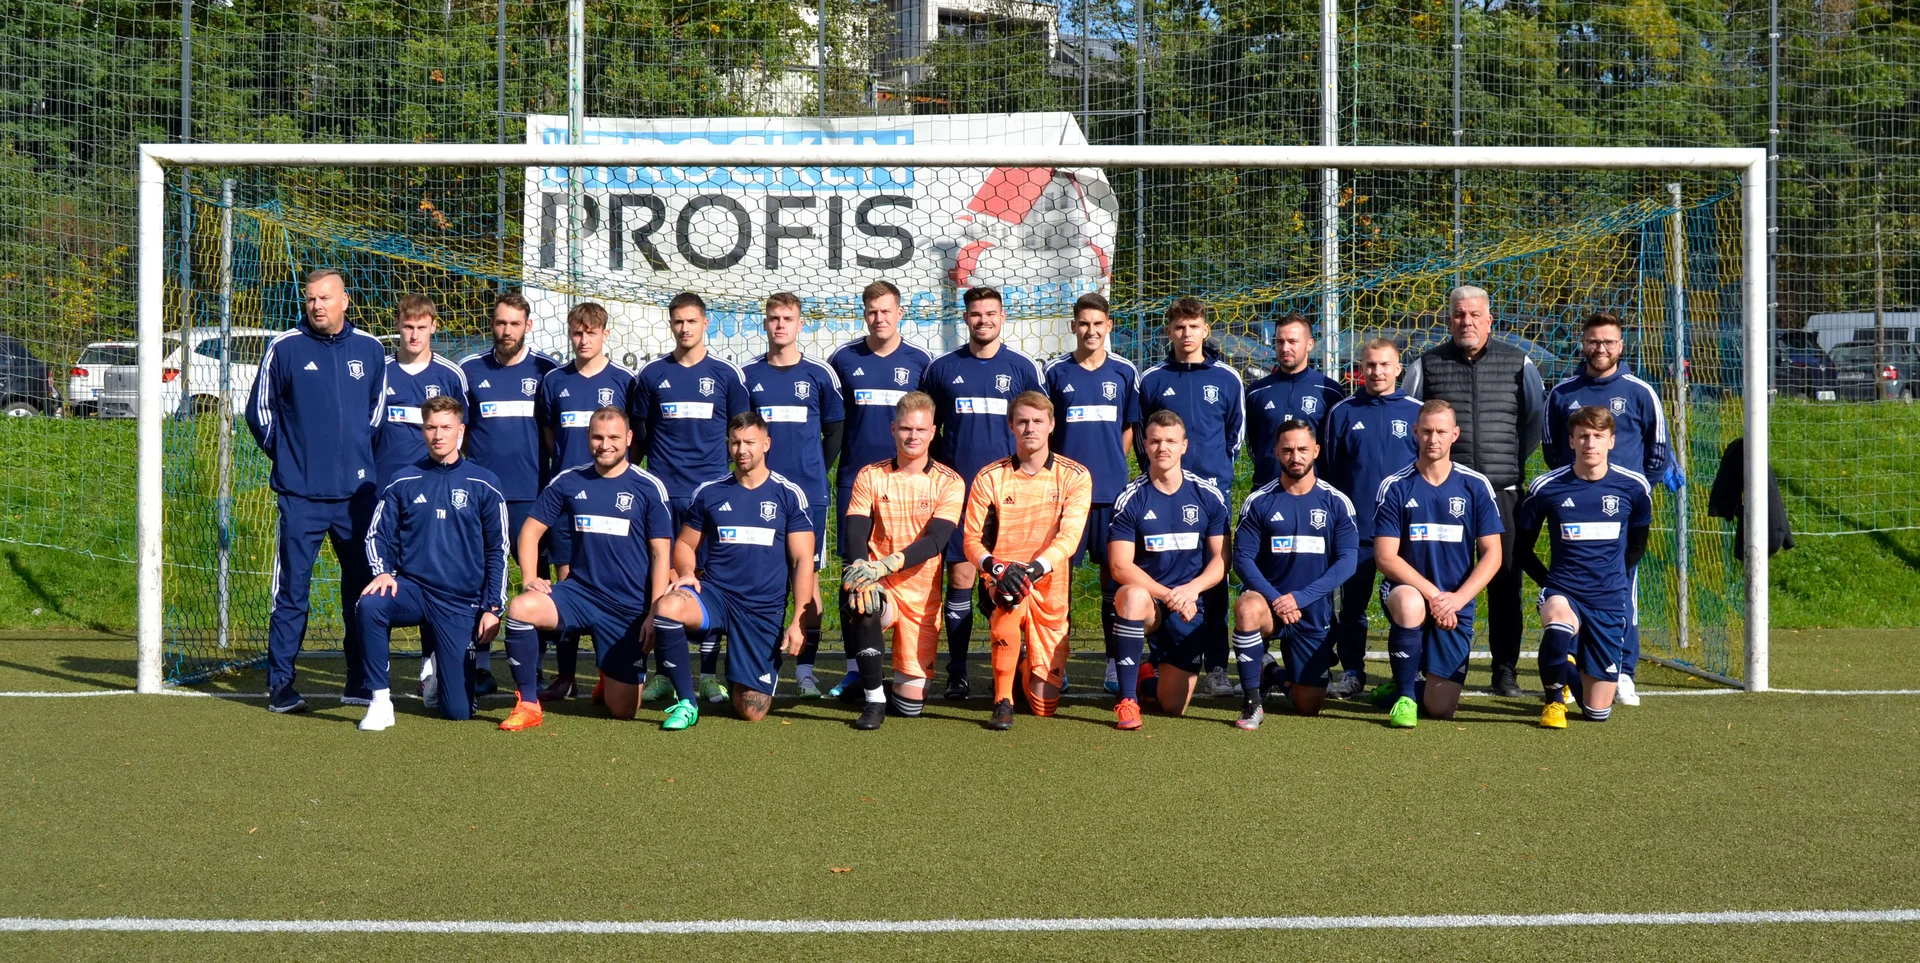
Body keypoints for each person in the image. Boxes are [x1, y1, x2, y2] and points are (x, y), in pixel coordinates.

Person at [245, 267, 389, 713]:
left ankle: (359, 680)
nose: (317, 306)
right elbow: (259, 413)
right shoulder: (284, 349)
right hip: (301, 497)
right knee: (292, 592)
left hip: (357, 500)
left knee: (361, 591)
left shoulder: (370, 350)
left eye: (326, 298)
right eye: (310, 299)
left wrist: (358, 466)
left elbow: (376, 416)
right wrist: (292, 461)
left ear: (345, 300)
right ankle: (282, 684)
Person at [1401, 284, 1547, 697]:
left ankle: (1504, 673)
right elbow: (1413, 418)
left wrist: (1508, 463)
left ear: (1489, 320)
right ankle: (1426, 667)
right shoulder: (1427, 365)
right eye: (1459, 315)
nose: (1466, 322)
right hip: (1440, 492)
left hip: (1500, 491)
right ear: (1449, 320)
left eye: (1474, 315)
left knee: (1504, 581)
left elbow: (1533, 421)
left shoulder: (1519, 363)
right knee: (1432, 578)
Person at [501, 407, 680, 730]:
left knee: (623, 710)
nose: (605, 444)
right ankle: (528, 703)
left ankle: (607, 675)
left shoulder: (648, 487)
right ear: (588, 439)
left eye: (613, 437)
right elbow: (529, 532)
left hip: (627, 608)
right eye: (598, 437)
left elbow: (660, 555)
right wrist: (529, 579)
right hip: (579, 594)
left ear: (628, 438)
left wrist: (653, 613)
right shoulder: (569, 481)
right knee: (520, 608)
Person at [649, 412, 820, 722]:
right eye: (735, 442)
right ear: (727, 444)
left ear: (766, 444)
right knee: (668, 607)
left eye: (750, 442)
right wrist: (687, 572)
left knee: (750, 711)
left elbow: (802, 560)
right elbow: (685, 545)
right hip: (716, 596)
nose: (742, 450)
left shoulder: (788, 495)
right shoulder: (710, 492)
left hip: (761, 608)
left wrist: (798, 620)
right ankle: (688, 703)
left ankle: (740, 671)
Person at [920, 287, 1044, 700]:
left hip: (1011, 497)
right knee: (960, 577)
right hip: (956, 494)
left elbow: (1038, 431)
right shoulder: (942, 369)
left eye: (990, 313)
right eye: (975, 314)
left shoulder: (1024, 368)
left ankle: (1004, 672)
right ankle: (957, 672)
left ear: (1002, 316)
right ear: (966, 318)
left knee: (1006, 584)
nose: (983, 320)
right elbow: (925, 432)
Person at [356, 395, 508, 730]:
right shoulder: (402, 480)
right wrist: (383, 572)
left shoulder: (485, 483)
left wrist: (492, 607)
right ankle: (380, 702)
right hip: (413, 589)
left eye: (446, 427)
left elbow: (498, 549)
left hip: (459, 600)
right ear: (422, 431)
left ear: (461, 430)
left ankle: (442, 668)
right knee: (370, 605)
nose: (438, 435)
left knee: (458, 712)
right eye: (431, 427)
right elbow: (376, 535)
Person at [1543, 311, 1670, 706]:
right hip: (1574, 505)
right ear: (1583, 344)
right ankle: (1575, 666)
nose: (1601, 348)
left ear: (1621, 345)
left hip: (1622, 509)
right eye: (1594, 341)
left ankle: (1624, 671)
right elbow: (1551, 450)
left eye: (1608, 342)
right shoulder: (1562, 393)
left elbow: (1659, 451)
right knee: (1573, 586)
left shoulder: (1640, 392)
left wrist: (1635, 493)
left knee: (1622, 588)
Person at [631, 291, 752, 704]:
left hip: (711, 499)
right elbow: (641, 438)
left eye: (691, 321)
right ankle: (665, 671)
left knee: (708, 582)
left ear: (705, 323)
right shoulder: (650, 376)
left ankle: (707, 674)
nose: (684, 328)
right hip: (664, 495)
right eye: (677, 322)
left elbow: (739, 434)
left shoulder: (726, 375)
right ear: (670, 325)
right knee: (663, 581)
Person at [1365, 400, 1505, 728]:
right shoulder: (1395, 486)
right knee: (1411, 603)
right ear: (1415, 432)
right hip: (1410, 592)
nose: (1433, 438)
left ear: (1455, 434)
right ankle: (1405, 697)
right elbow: (1385, 556)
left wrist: (1456, 600)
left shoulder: (1475, 485)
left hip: (1455, 603)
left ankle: (1413, 682)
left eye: (1441, 431)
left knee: (1441, 709)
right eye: (1426, 431)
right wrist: (1433, 595)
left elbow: (1492, 554)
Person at [826, 280, 934, 697]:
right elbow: (835, 422)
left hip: (909, 484)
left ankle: (912, 661)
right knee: (853, 572)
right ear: (864, 313)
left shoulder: (921, 362)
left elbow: (928, 426)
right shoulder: (843, 359)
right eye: (872, 311)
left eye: (886, 311)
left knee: (909, 569)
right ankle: (856, 669)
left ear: (900, 312)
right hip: (858, 482)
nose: (879, 318)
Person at [961, 391, 1093, 729]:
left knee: (1042, 704)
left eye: (1037, 421)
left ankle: (1023, 662)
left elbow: (1069, 538)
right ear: (1011, 426)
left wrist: (1033, 570)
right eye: (1022, 421)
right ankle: (1002, 701)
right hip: (1001, 578)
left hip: (1050, 585)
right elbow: (972, 541)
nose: (1029, 428)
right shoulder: (989, 477)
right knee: (1009, 597)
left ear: (1051, 424)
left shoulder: (1075, 476)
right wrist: (998, 568)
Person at [1516, 405, 1652, 729]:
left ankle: (1567, 670)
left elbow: (1636, 546)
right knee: (1558, 623)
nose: (1591, 443)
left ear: (1611, 441)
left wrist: (1614, 578)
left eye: (1598, 436)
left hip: (1608, 599)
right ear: (1572, 441)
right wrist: (1549, 583)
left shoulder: (1634, 488)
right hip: (1565, 591)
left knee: (1596, 713)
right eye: (1583, 436)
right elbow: (1520, 549)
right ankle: (1553, 702)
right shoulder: (1547, 487)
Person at [838, 392, 967, 729]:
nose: (913, 437)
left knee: (910, 707)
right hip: (880, 585)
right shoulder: (871, 475)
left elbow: (936, 541)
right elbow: (855, 531)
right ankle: (873, 700)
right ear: (893, 429)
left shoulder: (950, 482)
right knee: (863, 600)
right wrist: (860, 569)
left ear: (933, 432)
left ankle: (894, 684)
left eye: (920, 430)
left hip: (921, 597)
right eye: (906, 429)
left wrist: (884, 564)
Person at [1137, 297, 1245, 698]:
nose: (1186, 334)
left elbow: (1235, 437)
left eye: (1193, 326)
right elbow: (1146, 438)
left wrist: (1211, 481)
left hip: (1211, 496)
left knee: (1213, 578)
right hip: (1163, 491)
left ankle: (1217, 666)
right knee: (1161, 568)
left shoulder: (1228, 379)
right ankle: (1162, 657)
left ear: (1205, 330)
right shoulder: (1151, 379)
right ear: (1169, 331)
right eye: (1179, 327)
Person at [742, 291, 845, 698]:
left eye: (787, 318)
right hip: (758, 496)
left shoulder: (820, 374)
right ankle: (761, 667)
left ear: (801, 324)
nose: (780, 324)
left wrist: (815, 471)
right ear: (764, 324)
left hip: (808, 498)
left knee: (808, 581)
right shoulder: (748, 375)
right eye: (773, 318)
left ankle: (805, 672)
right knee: (761, 581)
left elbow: (835, 430)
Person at [458, 291, 560, 697]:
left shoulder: (547, 372)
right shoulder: (469, 370)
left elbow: (554, 435)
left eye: (514, 324)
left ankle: (533, 668)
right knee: (478, 577)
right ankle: (480, 665)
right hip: (483, 497)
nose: (506, 331)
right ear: (492, 324)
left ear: (528, 326)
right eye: (500, 323)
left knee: (535, 581)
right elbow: (461, 432)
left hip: (532, 497)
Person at [535, 301, 637, 701]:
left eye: (591, 332)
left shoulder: (626, 381)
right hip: (567, 502)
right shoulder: (554, 382)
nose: (583, 339)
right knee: (567, 583)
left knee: (611, 582)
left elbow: (633, 438)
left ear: (605, 334)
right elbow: (549, 437)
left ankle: (608, 673)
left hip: (612, 501)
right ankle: (565, 675)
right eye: (577, 332)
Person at [1229, 419, 1359, 729]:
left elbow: (1347, 561)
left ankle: (1272, 674)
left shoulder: (1336, 502)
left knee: (1308, 705)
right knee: (1247, 607)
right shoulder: (1259, 501)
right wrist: (1277, 600)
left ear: (1315, 450)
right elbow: (1242, 559)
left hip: (1311, 610)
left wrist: (1300, 599)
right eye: (1287, 450)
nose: (1295, 456)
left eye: (1302, 449)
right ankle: (1252, 705)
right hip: (1270, 607)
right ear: (1276, 452)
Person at [1043, 292, 1141, 696]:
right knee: (1057, 583)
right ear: (1073, 327)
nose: (1091, 331)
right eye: (1084, 323)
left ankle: (1114, 664)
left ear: (1109, 327)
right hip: (1065, 496)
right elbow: (1045, 429)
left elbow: (1130, 428)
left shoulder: (1124, 371)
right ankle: (1055, 662)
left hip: (1112, 495)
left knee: (1113, 583)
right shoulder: (1054, 372)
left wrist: (1108, 467)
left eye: (1098, 324)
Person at [1106, 410, 1229, 727]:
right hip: (1151, 602)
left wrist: (1191, 591)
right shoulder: (1131, 497)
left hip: (1189, 604)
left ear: (1184, 446)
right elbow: (1120, 565)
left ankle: (1147, 677)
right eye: (1156, 441)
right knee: (1130, 596)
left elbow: (1220, 561)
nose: (1163, 448)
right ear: (1145, 445)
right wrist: (1168, 595)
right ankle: (1128, 700)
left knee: (1173, 706)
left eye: (1171, 441)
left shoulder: (1208, 496)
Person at [1319, 338, 1423, 699]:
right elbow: (1330, 472)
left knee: (1406, 601)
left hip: (1406, 534)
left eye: (1384, 365)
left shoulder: (1417, 412)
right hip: (1358, 530)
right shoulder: (1343, 412)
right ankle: (1352, 671)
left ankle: (1408, 674)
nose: (1377, 372)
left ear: (1398, 368)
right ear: (1360, 370)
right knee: (1352, 607)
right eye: (1370, 365)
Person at [373, 295, 469, 486]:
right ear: (397, 325)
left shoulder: (451, 375)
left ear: (433, 327)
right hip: (385, 477)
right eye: (408, 327)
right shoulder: (379, 371)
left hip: (435, 481)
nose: (415, 336)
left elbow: (463, 430)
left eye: (422, 328)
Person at [1246, 313, 1346, 489]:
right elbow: (1254, 443)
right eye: (1279, 341)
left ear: (1309, 344)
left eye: (1292, 342)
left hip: (1315, 493)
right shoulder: (1256, 392)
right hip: (1267, 491)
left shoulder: (1330, 391)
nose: (1285, 348)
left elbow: (1335, 447)